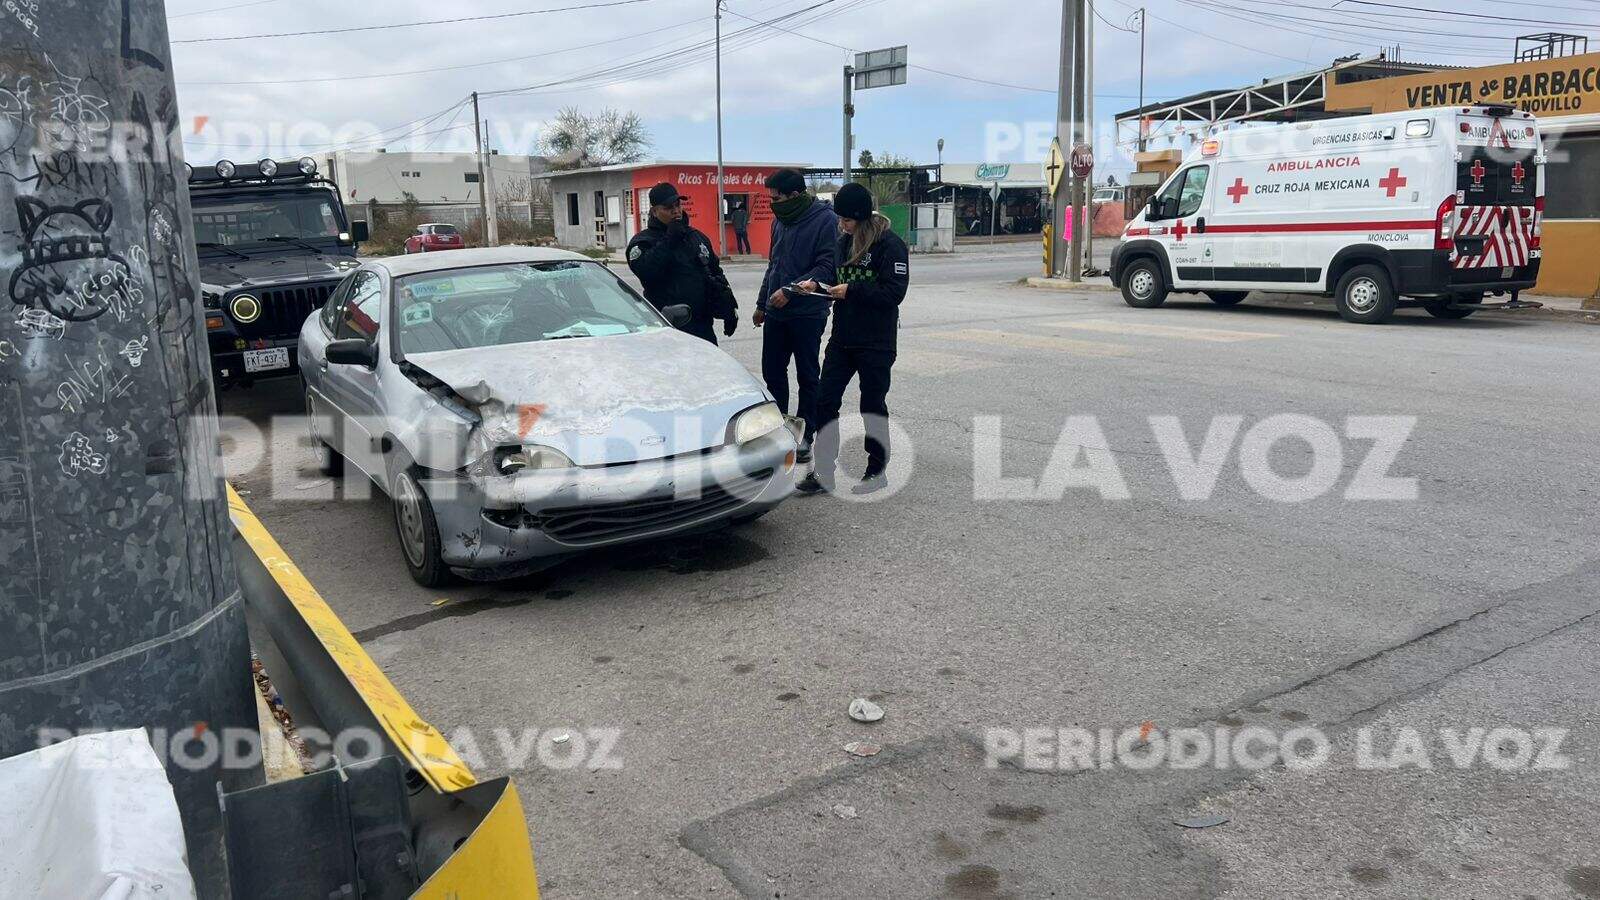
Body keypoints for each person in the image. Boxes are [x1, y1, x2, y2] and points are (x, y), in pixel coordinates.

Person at [796, 183, 908, 496]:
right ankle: (824, 474)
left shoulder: (890, 246)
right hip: (842, 338)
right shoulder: (843, 243)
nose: (841, 225)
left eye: (847, 220)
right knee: (824, 402)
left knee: (872, 405)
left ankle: (877, 471)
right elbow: (836, 280)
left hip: (876, 341)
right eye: (840, 219)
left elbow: (894, 292)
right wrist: (816, 284)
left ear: (861, 217)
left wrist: (853, 291)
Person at [754, 169, 837, 462]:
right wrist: (762, 303)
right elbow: (773, 264)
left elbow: (828, 266)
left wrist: (791, 290)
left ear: (795, 195)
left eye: (777, 198)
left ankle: (805, 435)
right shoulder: (780, 221)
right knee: (773, 373)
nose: (773, 204)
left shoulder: (825, 220)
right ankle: (780, 430)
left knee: (807, 375)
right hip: (777, 313)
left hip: (808, 313)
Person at [626, 182, 737, 345]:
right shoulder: (643, 243)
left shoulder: (696, 236)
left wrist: (729, 309)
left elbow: (715, 272)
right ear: (655, 211)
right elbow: (647, 271)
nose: (676, 211)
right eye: (668, 207)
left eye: (678, 205)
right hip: (668, 328)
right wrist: (669, 240)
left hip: (702, 326)